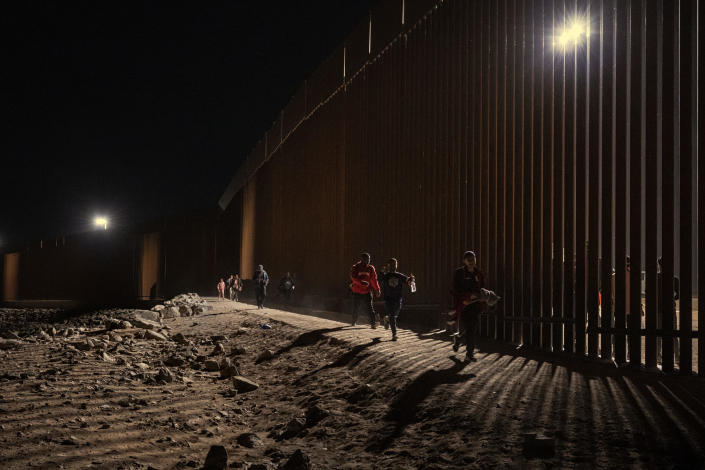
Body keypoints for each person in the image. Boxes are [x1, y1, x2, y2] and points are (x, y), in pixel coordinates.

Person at [451, 251, 489, 362]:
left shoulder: (479, 273)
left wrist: (481, 297)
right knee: (469, 328)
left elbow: (482, 289)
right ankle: (468, 352)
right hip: (463, 305)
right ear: (464, 261)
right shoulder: (459, 273)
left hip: (475, 306)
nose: (472, 262)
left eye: (473, 259)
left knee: (471, 329)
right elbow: (454, 290)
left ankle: (463, 345)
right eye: (469, 260)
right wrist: (466, 297)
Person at [378, 258, 415, 341]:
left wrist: (411, 279)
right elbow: (379, 279)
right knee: (392, 315)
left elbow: (407, 281)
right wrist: (381, 272)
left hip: (398, 299)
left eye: (395, 264)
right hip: (388, 299)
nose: (393, 266)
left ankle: (387, 319)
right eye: (392, 264)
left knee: (395, 314)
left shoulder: (399, 275)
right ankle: (394, 334)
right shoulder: (385, 275)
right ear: (388, 266)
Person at [350, 252, 381, 328]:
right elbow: (353, 278)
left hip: (367, 291)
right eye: (366, 259)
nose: (368, 260)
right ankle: (353, 322)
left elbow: (374, 280)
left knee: (370, 308)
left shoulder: (371, 268)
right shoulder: (355, 267)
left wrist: (377, 289)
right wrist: (361, 282)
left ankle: (373, 324)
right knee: (356, 308)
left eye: (369, 259)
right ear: (362, 259)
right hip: (357, 291)